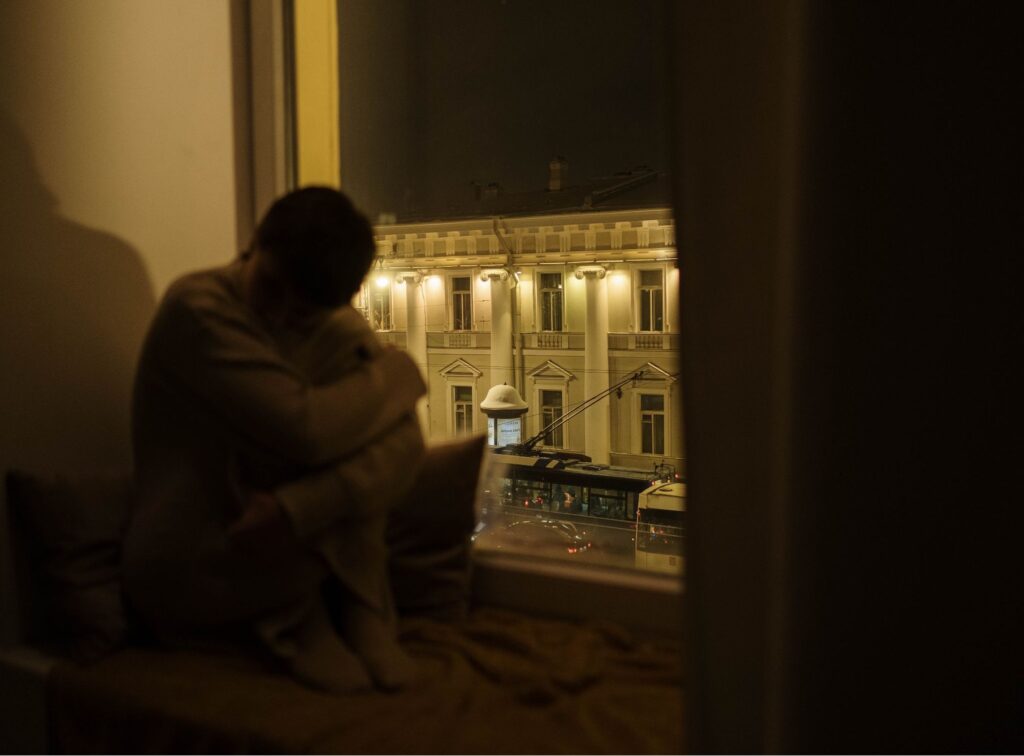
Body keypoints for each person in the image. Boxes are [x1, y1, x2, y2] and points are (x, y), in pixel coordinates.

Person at [122, 187, 427, 694]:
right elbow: (304, 433)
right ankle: (308, 619)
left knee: (358, 411)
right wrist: (402, 373)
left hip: (278, 532)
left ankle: (357, 610)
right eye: (270, 287)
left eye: (303, 313)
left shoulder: (327, 319)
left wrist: (299, 508)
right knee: (317, 435)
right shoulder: (197, 309)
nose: (281, 316)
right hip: (200, 556)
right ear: (255, 243)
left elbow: (407, 444)